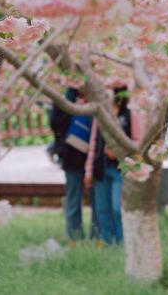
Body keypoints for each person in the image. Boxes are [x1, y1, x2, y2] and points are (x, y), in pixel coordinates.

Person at [84, 86, 137, 245]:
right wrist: (88, 171)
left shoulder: (129, 116)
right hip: (101, 167)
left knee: (117, 207)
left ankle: (122, 242)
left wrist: (121, 152)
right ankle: (108, 243)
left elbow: (138, 141)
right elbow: (93, 143)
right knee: (102, 209)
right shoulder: (100, 116)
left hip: (121, 169)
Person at [49, 88, 100, 241]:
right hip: (71, 157)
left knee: (97, 200)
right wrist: (72, 107)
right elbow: (55, 124)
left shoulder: (98, 97)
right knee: (73, 200)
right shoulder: (64, 98)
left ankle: (97, 236)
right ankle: (74, 236)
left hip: (95, 158)